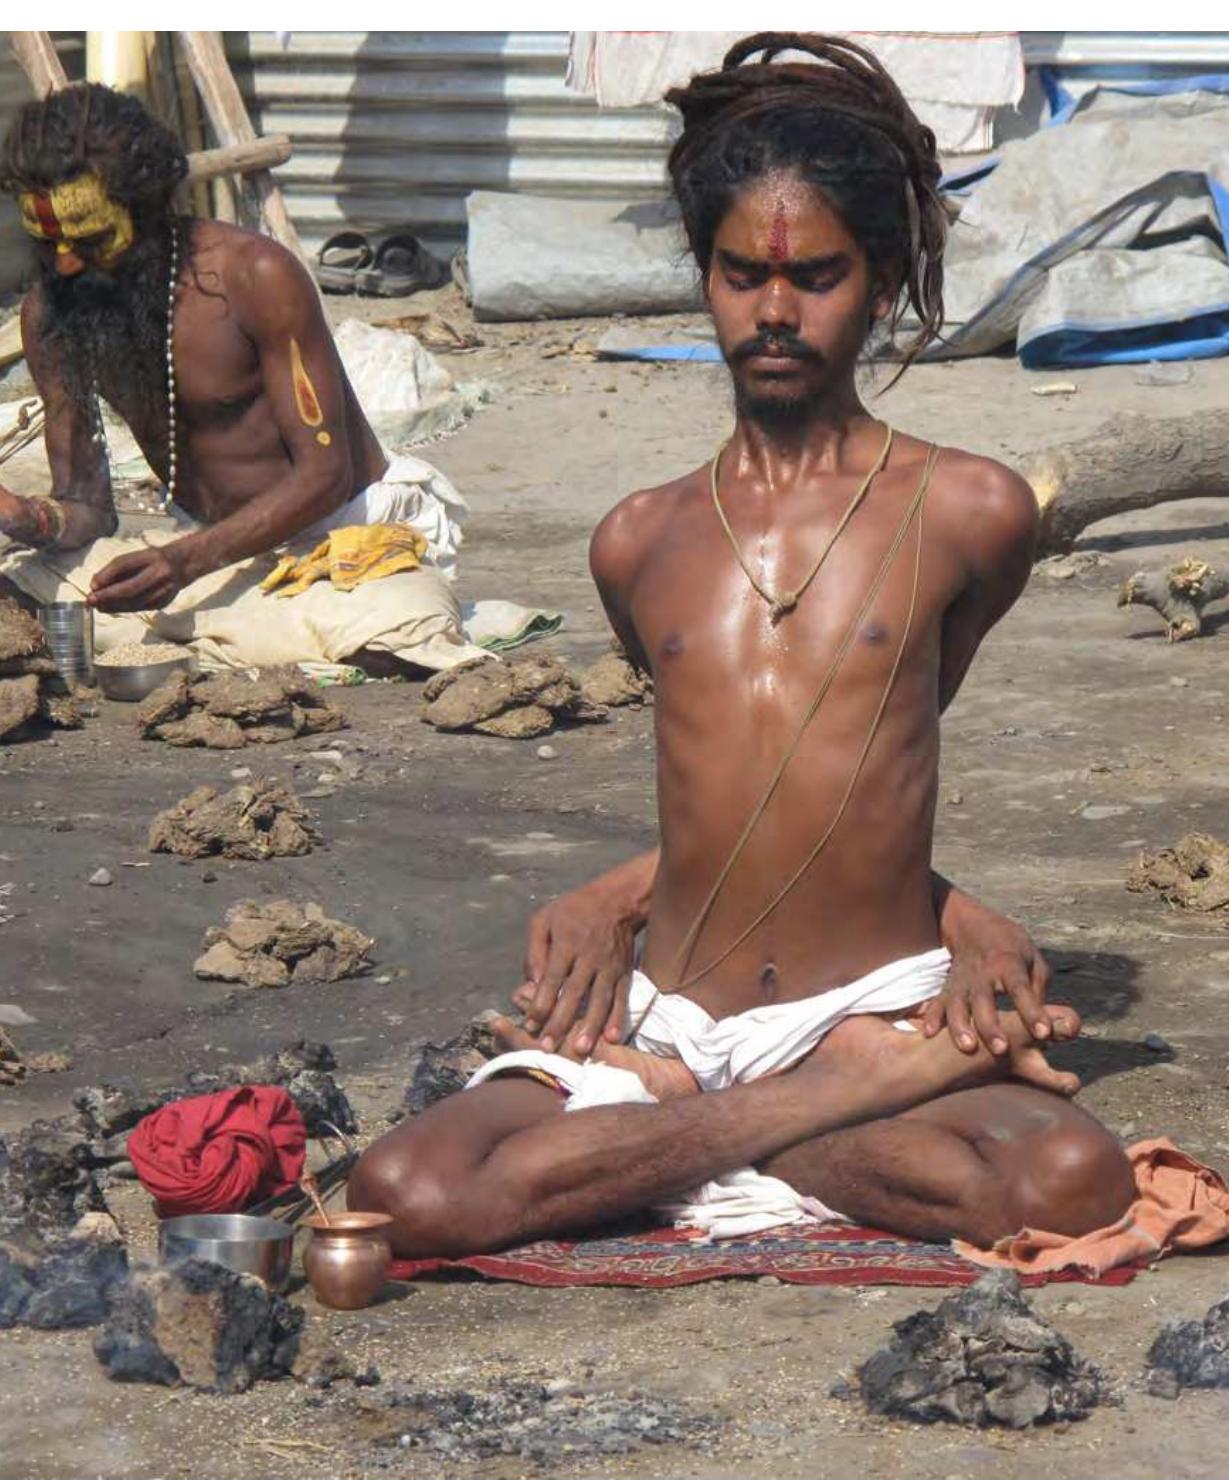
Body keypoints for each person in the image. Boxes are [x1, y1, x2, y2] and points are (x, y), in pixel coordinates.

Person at [352, 34, 1136, 1257]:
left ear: (879, 283)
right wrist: (620, 899)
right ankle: (828, 1108)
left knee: (1068, 1175)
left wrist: (958, 919)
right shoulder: (636, 541)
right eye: (738, 275)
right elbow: (728, 800)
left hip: (862, 1000)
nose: (774, 311)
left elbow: (870, 774)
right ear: (703, 276)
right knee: (407, 1189)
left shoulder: (970, 512)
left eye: (816, 276)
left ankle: (720, 1124)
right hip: (672, 1009)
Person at [0, 83, 477, 670]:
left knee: (397, 635)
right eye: (47, 243)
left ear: (145, 208)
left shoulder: (255, 275)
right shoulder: (51, 313)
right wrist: (26, 518)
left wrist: (184, 564)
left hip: (336, 533)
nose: (64, 263)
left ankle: (223, 635)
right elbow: (87, 506)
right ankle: (237, 637)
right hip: (199, 546)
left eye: (88, 240)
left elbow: (325, 475)